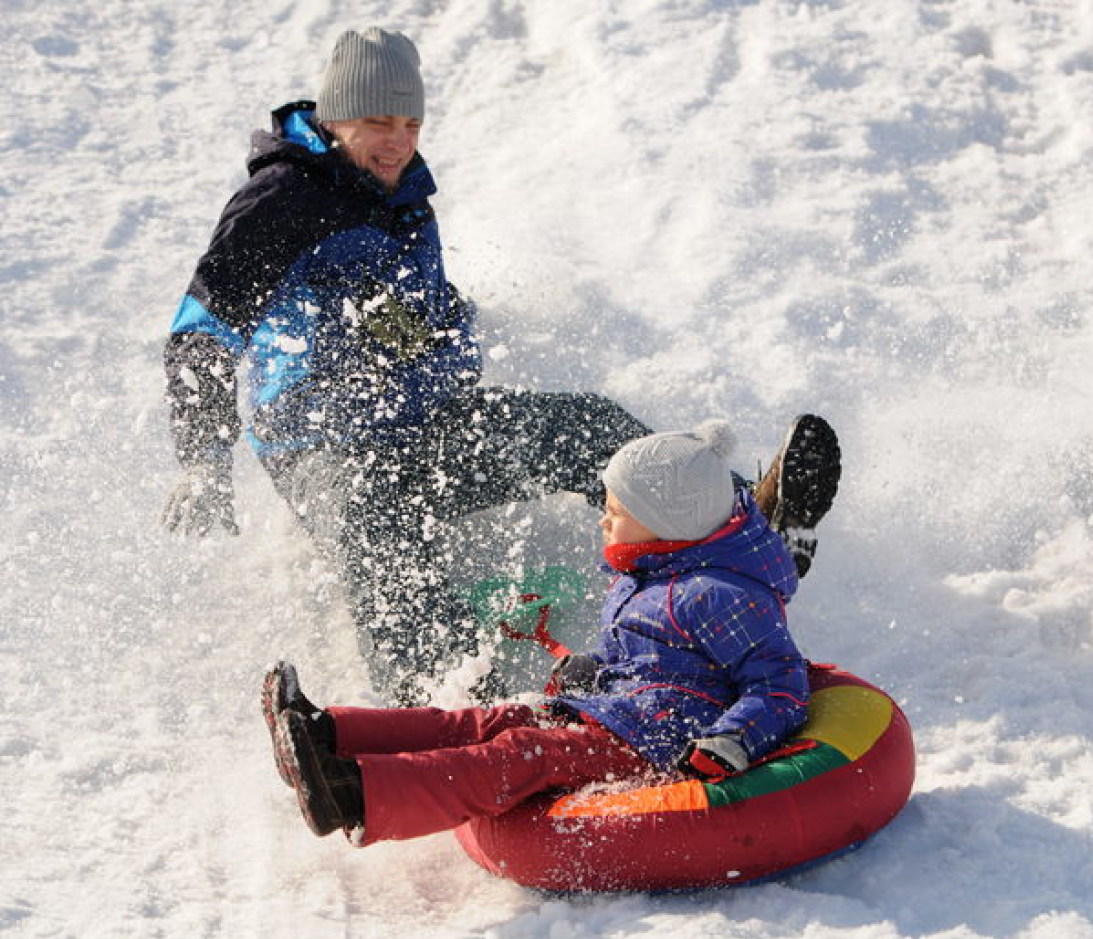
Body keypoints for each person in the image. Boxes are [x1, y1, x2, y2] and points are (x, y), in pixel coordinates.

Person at [163, 27, 840, 705]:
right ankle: (448, 707)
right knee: (376, 524)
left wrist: (439, 336)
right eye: (378, 122)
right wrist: (202, 456)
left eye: (411, 123)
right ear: (335, 117)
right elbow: (201, 335)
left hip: (426, 426)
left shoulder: (401, 199)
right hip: (323, 450)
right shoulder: (281, 200)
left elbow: (441, 321)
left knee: (587, 425)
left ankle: (742, 519)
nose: (398, 140)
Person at [262, 422, 813, 843]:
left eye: (617, 511)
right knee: (490, 719)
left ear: (668, 523)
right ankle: (329, 733)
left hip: (656, 741)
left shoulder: (721, 595)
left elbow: (780, 683)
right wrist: (596, 668)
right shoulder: (654, 575)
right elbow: (655, 658)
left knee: (521, 752)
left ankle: (353, 795)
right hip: (618, 712)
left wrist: (734, 738)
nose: (603, 520)